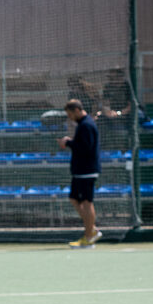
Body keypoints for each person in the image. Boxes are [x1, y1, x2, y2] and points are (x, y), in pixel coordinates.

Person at [57, 99, 102, 248]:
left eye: (70, 114)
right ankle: (92, 229)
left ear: (77, 110)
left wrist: (68, 142)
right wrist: (70, 141)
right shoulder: (83, 124)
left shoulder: (86, 125)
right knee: (74, 198)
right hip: (80, 171)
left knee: (87, 202)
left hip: (87, 170)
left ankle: (88, 237)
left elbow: (85, 147)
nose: (69, 117)